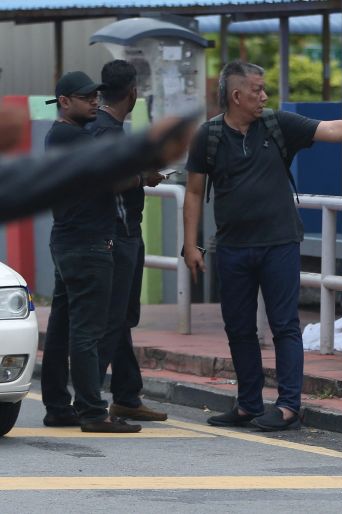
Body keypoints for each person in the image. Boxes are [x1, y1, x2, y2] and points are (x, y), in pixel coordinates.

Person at [182, 60, 342, 431]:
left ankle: (288, 407)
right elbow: (195, 192)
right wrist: (190, 244)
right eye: (257, 90)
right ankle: (248, 404)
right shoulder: (208, 136)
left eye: (264, 89)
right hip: (232, 247)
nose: (264, 96)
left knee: (285, 326)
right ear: (236, 96)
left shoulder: (279, 125)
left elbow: (333, 128)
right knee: (239, 328)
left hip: (279, 243)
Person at [39, 71, 141, 433]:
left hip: (67, 240)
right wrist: (143, 176)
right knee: (87, 332)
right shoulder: (72, 136)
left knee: (62, 328)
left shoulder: (62, 135)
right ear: (64, 102)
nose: (95, 102)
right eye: (86, 98)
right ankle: (93, 412)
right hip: (88, 243)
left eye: (96, 96)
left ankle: (57, 406)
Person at [89, 60, 168, 422]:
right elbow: (107, 181)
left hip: (125, 235)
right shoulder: (107, 132)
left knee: (121, 319)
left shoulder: (107, 128)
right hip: (118, 237)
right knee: (112, 320)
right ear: (133, 92)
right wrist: (143, 179)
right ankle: (90, 403)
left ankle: (126, 395)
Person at [0, 105, 194, 223]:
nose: (93, 102)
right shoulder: (69, 133)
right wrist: (146, 147)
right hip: (85, 238)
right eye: (86, 97)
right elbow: (64, 172)